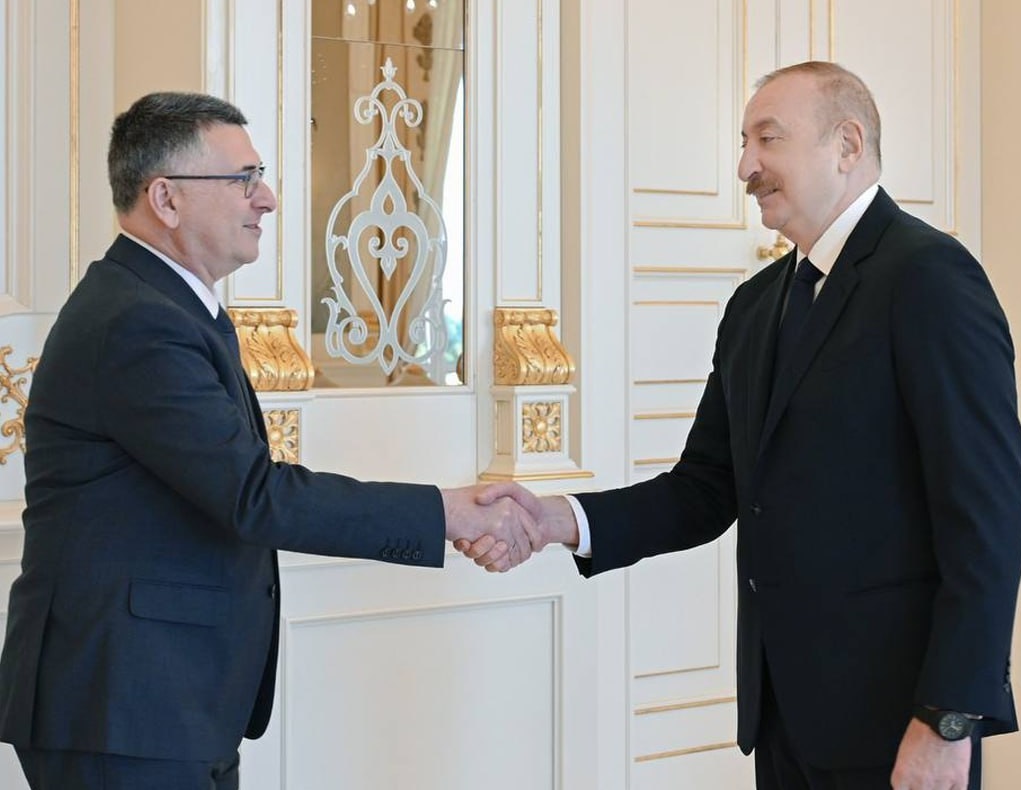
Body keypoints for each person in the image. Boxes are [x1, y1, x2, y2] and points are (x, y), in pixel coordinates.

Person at [466, 61, 1021, 789]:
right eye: (743, 142)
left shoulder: (930, 277)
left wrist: (949, 718)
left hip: (901, 724)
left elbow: (988, 516)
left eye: (768, 138)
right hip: (781, 718)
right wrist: (555, 521)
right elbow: (704, 487)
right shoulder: (755, 305)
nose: (744, 167)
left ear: (847, 145)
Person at [0, 91, 534, 790]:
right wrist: (446, 512)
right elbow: (255, 494)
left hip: (162, 701)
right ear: (166, 199)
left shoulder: (163, 306)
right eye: (243, 178)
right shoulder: (136, 321)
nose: (268, 199)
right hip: (123, 704)